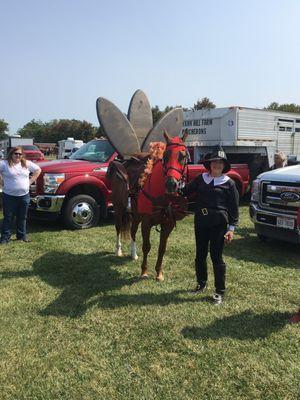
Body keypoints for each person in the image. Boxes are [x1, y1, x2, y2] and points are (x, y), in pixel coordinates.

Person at [182, 146, 239, 305]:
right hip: (201, 222)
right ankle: (201, 283)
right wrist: (175, 185)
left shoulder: (229, 184)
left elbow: (234, 208)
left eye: (220, 163)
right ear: (210, 164)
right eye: (214, 162)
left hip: (218, 225)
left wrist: (231, 229)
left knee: (216, 256)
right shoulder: (201, 179)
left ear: (224, 165)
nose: (217, 165)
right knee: (200, 254)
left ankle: (219, 291)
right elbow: (185, 191)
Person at [0, 146, 41, 244]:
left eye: (20, 154)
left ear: (22, 155)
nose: (18, 155)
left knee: (22, 217)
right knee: (8, 217)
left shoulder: (26, 163)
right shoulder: (4, 163)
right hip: (9, 196)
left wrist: (30, 181)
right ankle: (5, 238)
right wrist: (1, 182)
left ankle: (21, 236)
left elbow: (38, 170)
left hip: (24, 196)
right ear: (11, 154)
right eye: (16, 153)